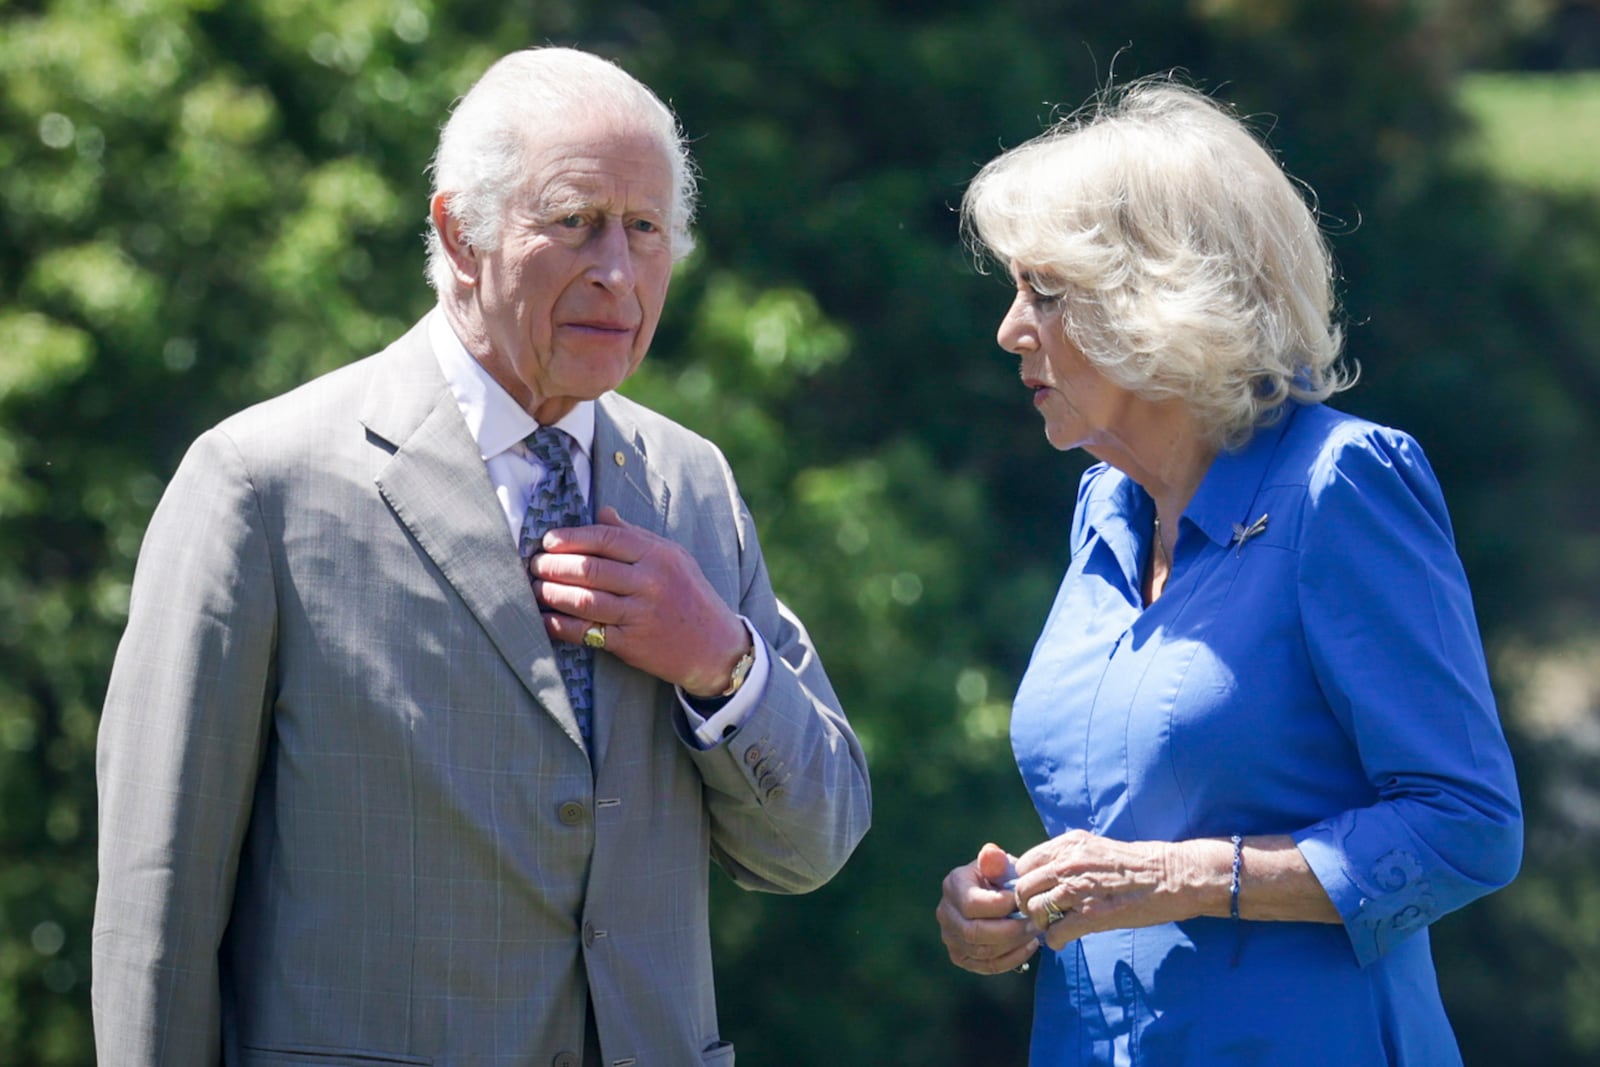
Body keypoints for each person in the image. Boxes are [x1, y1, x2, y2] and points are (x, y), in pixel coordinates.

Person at [93, 47, 870, 1067]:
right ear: (460, 233)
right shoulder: (262, 484)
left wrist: (721, 663)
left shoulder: (691, 486)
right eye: (575, 221)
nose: (617, 271)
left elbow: (810, 845)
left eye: (644, 229)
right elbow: (159, 904)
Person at [935, 78, 1521, 1065]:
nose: (1009, 328)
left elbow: (1468, 824)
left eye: (1044, 290)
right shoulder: (1103, 508)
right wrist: (1003, 906)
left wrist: (1187, 874)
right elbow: (1120, 830)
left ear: (1155, 294)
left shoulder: (1340, 483)